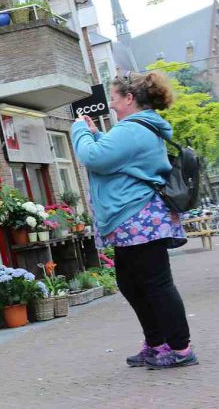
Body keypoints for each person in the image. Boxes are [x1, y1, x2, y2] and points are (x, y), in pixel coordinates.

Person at [71, 71, 197, 369]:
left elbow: (95, 158)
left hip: (139, 216)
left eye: (114, 98)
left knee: (156, 284)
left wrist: (80, 131)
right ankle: (156, 343)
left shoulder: (133, 129)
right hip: (130, 218)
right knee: (131, 283)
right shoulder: (133, 129)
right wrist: (96, 135)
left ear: (130, 98)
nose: (111, 104)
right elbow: (117, 157)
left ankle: (180, 348)